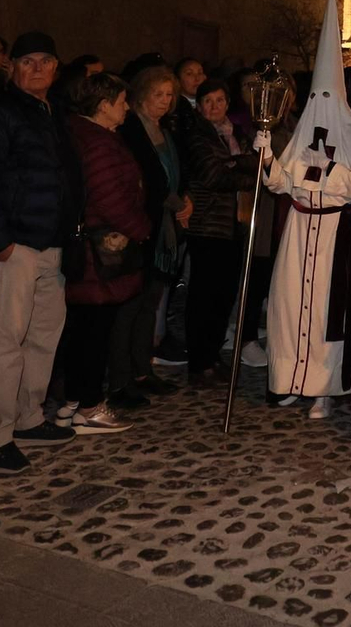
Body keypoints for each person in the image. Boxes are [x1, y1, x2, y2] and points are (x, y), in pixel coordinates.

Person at [0, 31, 79, 474]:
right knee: (5, 341)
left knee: (42, 338)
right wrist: (0, 242)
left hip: (51, 244)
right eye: (28, 61)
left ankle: (28, 417)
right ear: (13, 67)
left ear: (56, 69)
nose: (38, 69)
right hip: (16, 246)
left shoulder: (54, 112)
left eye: (46, 61)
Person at [266, 0, 351, 419]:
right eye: (316, 98)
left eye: (327, 98)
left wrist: (326, 171)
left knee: (327, 313)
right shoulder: (300, 138)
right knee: (291, 305)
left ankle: (325, 389)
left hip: (335, 235)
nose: (321, 106)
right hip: (299, 231)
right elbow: (282, 184)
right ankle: (291, 379)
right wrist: (266, 158)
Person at [60, 72, 147, 436]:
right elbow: (108, 197)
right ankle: (90, 407)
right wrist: (141, 228)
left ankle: (72, 404)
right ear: (103, 105)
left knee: (83, 330)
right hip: (101, 253)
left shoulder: (88, 135)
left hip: (96, 249)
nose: (127, 107)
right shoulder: (97, 143)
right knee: (94, 331)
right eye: (122, 101)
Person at [112, 63, 189, 401]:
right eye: (158, 94)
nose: (164, 100)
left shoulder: (164, 131)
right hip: (142, 226)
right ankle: (121, 377)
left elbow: (175, 173)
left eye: (169, 95)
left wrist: (184, 199)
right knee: (130, 305)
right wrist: (173, 201)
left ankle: (143, 370)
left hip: (163, 228)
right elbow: (145, 179)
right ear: (141, 96)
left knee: (149, 303)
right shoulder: (130, 131)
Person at [180, 80, 260, 382]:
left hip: (233, 226)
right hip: (208, 226)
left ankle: (212, 355)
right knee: (203, 296)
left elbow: (254, 161)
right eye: (208, 102)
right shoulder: (198, 136)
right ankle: (199, 362)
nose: (214, 107)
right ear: (199, 107)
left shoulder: (235, 134)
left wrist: (233, 163)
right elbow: (213, 175)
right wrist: (244, 171)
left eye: (219, 100)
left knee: (224, 296)